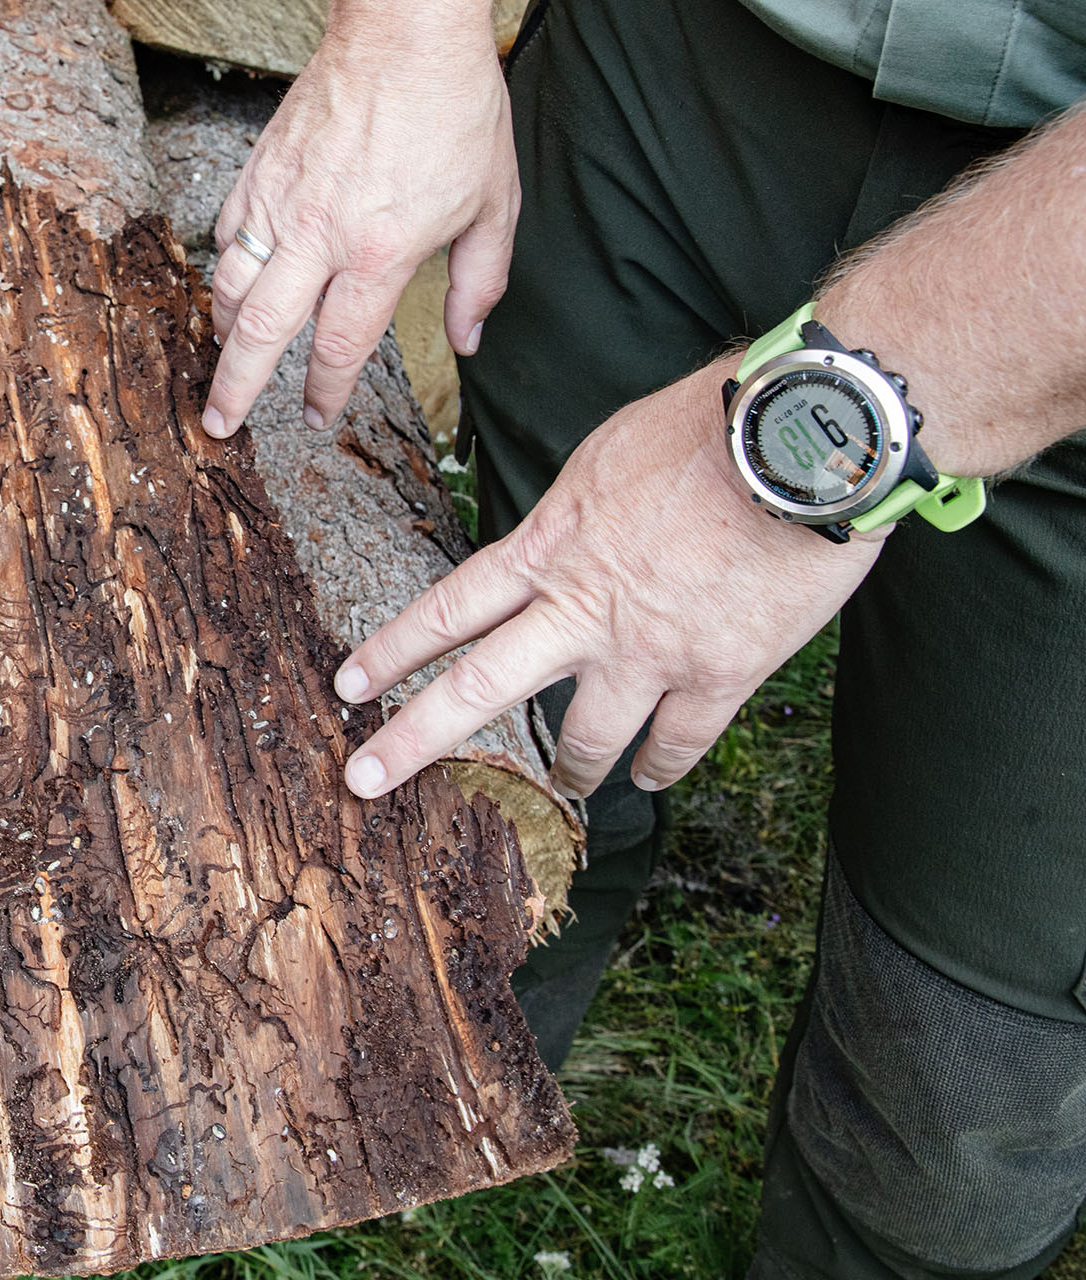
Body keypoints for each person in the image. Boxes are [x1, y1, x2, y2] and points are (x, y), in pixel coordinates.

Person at [200, 0, 1086, 1273]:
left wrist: (795, 447)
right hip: (672, 73)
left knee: (962, 1060)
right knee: (533, 724)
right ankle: (449, 1090)